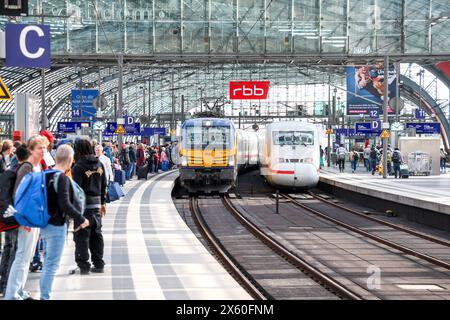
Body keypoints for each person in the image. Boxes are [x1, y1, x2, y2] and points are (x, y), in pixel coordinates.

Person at [40, 145, 89, 300]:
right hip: (57, 225)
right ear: (70, 159)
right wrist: (81, 218)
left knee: (47, 262)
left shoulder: (45, 174)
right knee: (51, 265)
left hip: (44, 223)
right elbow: (65, 204)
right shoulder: (62, 177)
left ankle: (44, 295)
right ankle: (45, 297)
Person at [4, 135, 47, 300]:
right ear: (30, 150)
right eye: (39, 148)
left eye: (44, 147)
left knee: (26, 256)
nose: (43, 151)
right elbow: (18, 195)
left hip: (34, 218)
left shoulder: (36, 167)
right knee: (22, 255)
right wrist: (24, 218)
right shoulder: (27, 167)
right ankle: (12, 294)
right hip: (26, 218)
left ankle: (19, 291)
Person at [72, 139, 107, 275]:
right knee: (96, 234)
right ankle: (98, 264)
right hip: (97, 204)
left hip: (83, 207)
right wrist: (103, 203)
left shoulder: (78, 167)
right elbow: (104, 184)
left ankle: (84, 265)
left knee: (82, 235)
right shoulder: (99, 164)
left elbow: (76, 190)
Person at [0, 144, 31, 296]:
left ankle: (3, 284)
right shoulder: (23, 170)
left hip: (7, 215)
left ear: (16, 156)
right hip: (14, 216)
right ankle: (8, 287)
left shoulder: (11, 170)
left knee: (8, 248)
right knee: (14, 250)